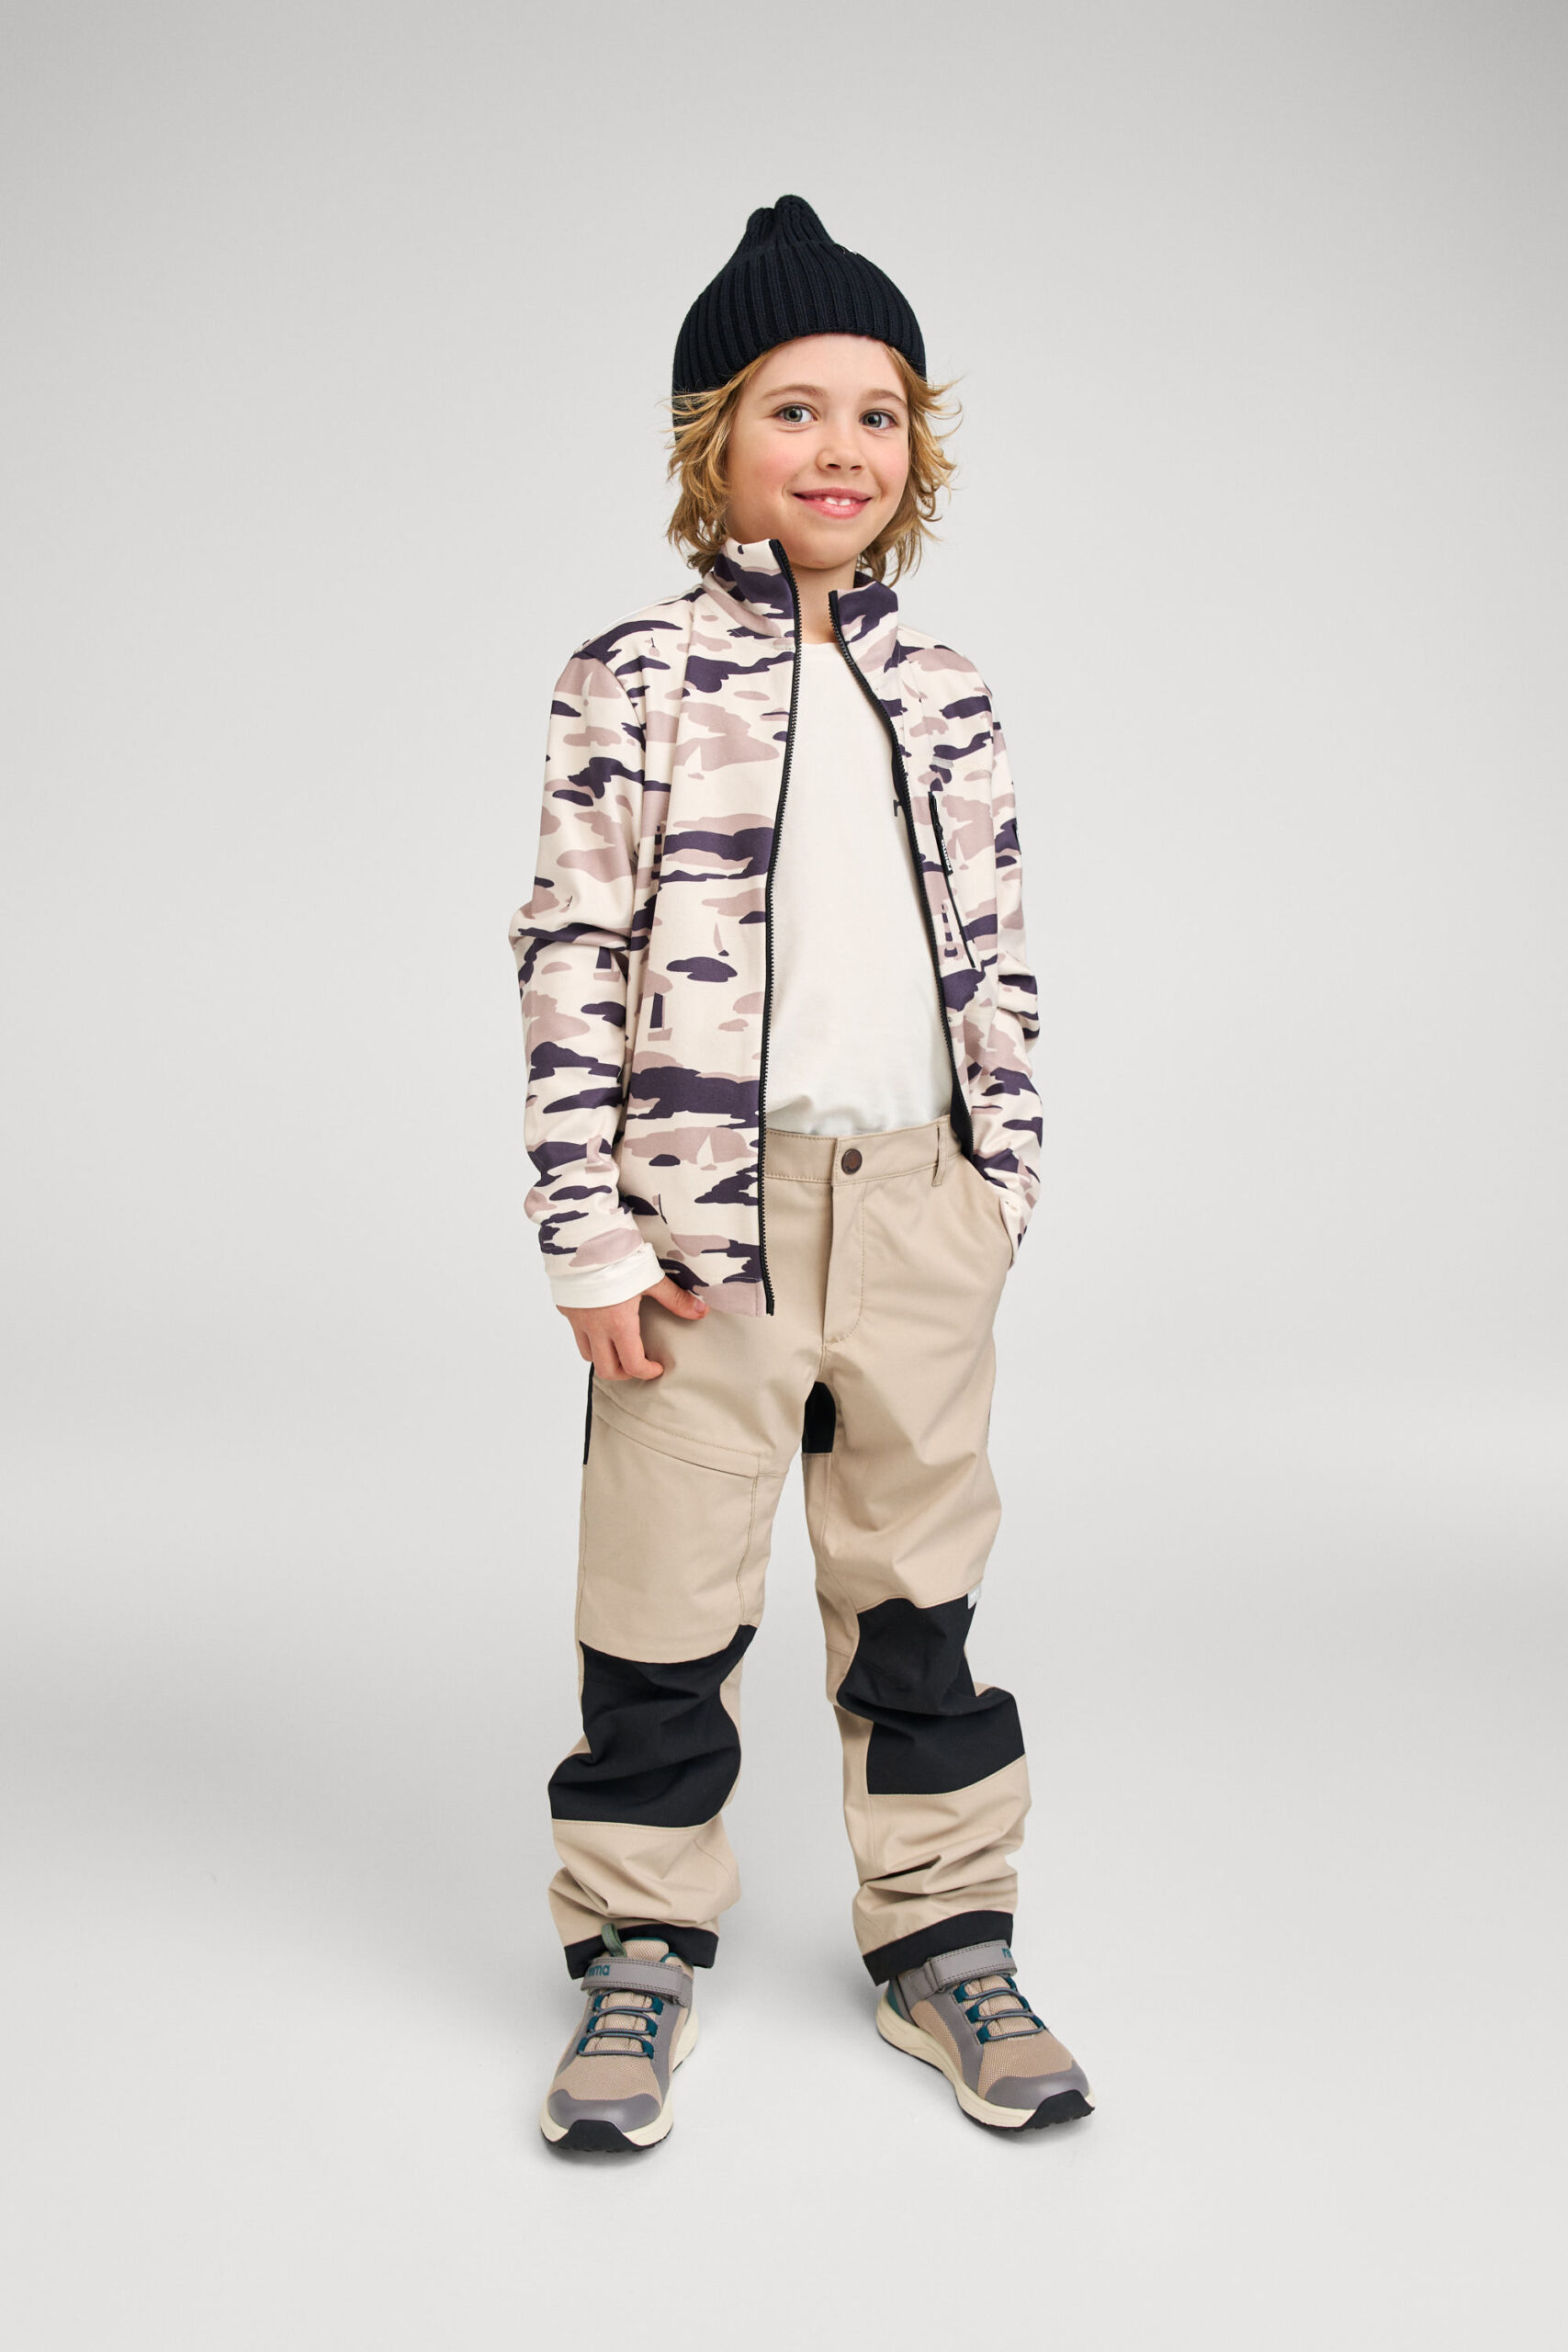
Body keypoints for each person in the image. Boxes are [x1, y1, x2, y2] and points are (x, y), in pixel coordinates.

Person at [512, 195, 1091, 2150]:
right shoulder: (635, 676)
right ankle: (635, 1946)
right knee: (661, 1604)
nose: (842, 448)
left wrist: (1000, 1184)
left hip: (918, 1207)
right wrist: (586, 1229)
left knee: (915, 1597)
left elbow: (1000, 951)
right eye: (792, 408)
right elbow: (569, 955)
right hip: (703, 1230)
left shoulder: (949, 690)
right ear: (714, 441)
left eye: (878, 411)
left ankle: (945, 1935)